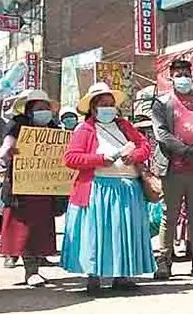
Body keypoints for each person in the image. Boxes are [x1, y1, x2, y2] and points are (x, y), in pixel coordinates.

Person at [61, 83, 155, 294]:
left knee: (123, 232)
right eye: (103, 104)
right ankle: (93, 276)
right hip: (98, 189)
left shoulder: (124, 126)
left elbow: (144, 146)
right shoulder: (84, 129)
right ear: (93, 108)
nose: (108, 108)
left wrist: (134, 156)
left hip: (127, 189)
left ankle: (122, 276)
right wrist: (101, 159)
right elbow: (71, 158)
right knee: (97, 234)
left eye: (111, 104)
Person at [150, 58, 193, 279]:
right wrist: (184, 150)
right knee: (169, 216)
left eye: (186, 74)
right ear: (171, 77)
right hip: (172, 169)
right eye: (178, 75)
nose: (183, 79)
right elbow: (161, 134)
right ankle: (164, 260)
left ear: (192, 76)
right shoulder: (162, 104)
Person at [0, 90, 61, 286]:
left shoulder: (54, 128)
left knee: (41, 228)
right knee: (24, 228)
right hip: (22, 187)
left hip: (45, 187)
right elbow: (3, 151)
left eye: (46, 108)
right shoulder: (17, 125)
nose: (44, 112)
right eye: (39, 108)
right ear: (29, 110)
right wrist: (10, 151)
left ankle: (36, 265)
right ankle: (30, 270)